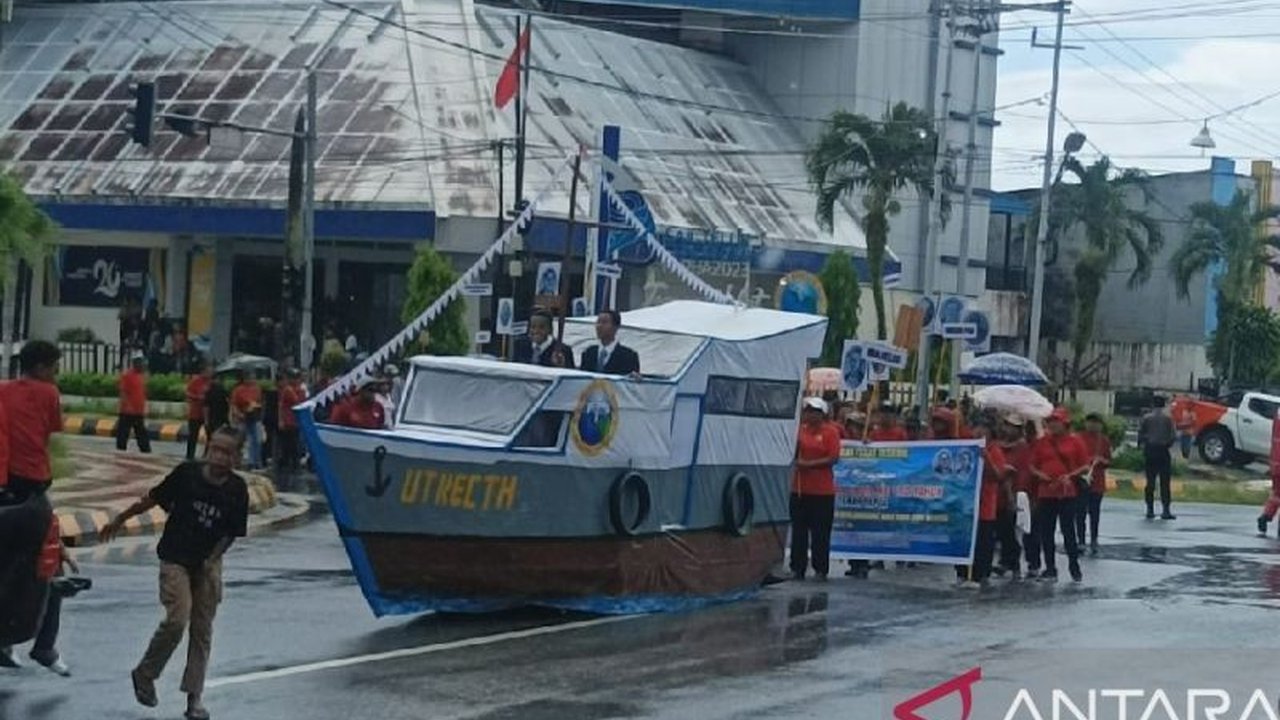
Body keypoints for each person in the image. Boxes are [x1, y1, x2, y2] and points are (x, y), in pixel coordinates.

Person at [101, 426, 250, 720]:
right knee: (177, 619)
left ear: (237, 457)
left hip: (208, 562)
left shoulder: (237, 489)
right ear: (208, 448)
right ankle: (146, 673)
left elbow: (231, 533)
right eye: (215, 449)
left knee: (202, 630)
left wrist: (212, 560)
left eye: (227, 452)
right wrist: (120, 518)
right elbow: (153, 498)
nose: (219, 457)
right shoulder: (187, 474)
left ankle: (194, 699)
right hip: (175, 558)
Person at [0, 340, 75, 676]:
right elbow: (51, 429)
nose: (56, 373)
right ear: (43, 367)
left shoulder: (3, 391)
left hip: (7, 489)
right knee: (50, 564)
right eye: (55, 367)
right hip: (31, 492)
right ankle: (44, 646)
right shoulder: (48, 393)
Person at [1030, 407, 1089, 582]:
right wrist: (1042, 476)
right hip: (1046, 492)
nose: (1053, 425)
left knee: (1068, 530)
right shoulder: (1042, 442)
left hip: (1067, 492)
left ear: (1065, 424)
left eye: (1056, 422)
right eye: (1050, 422)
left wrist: (1070, 476)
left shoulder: (1075, 442)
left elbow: (1085, 466)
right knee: (1046, 532)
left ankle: (1074, 565)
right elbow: (1032, 465)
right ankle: (1050, 568)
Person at [790, 397, 841, 582]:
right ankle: (798, 568)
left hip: (822, 492)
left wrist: (809, 464)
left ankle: (820, 569)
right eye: (808, 411)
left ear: (822, 414)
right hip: (800, 489)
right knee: (799, 531)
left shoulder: (830, 432)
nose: (810, 414)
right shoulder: (799, 431)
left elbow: (833, 458)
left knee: (820, 533)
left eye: (814, 411)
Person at [958, 413, 1009, 589]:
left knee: (983, 543)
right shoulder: (966, 447)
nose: (979, 431)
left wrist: (985, 457)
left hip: (985, 505)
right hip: (966, 505)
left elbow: (998, 476)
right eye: (977, 427)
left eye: (984, 428)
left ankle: (980, 575)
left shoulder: (995, 450)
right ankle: (962, 573)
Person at [1076, 413, 1112, 555]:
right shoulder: (1078, 438)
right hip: (1081, 481)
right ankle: (1080, 540)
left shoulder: (1104, 440)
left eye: (1096, 423)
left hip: (1097, 482)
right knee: (1080, 512)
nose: (1093, 425)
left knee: (1094, 513)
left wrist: (1102, 461)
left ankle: (1094, 539)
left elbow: (1109, 461)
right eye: (1090, 422)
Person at [1138, 396, 1177, 520]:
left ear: (1152, 404)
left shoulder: (1146, 418)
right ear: (1164, 405)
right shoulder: (1168, 419)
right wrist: (1167, 444)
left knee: (1150, 481)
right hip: (1163, 451)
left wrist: (1143, 445)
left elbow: (1141, 434)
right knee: (1165, 482)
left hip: (1150, 450)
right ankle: (1166, 510)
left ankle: (1150, 510)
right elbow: (1173, 436)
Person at [580, 310, 640, 376]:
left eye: (604, 322)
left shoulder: (629, 356)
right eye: (598, 322)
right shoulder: (589, 353)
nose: (599, 326)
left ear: (616, 327)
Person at [117, 353, 152, 454]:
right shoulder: (127, 375)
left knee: (141, 432)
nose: (143, 365)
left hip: (138, 410)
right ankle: (120, 450)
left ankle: (145, 450)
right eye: (141, 363)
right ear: (135, 363)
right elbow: (123, 392)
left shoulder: (141, 376)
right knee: (124, 432)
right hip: (127, 411)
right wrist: (127, 405)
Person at [230, 371, 264, 470]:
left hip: (254, 416)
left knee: (256, 440)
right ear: (245, 379)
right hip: (243, 417)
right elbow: (234, 404)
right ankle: (236, 460)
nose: (253, 380)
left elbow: (260, 401)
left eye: (254, 378)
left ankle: (255, 461)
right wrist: (238, 414)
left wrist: (258, 408)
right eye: (251, 378)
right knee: (240, 440)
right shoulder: (238, 390)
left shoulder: (257, 389)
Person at [276, 369, 306, 474]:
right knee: (289, 444)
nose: (296, 380)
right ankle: (287, 463)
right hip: (288, 420)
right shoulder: (288, 390)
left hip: (295, 420)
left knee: (294, 443)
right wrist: (281, 420)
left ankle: (292, 464)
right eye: (294, 378)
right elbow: (283, 405)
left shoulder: (300, 390)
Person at [184, 362, 213, 461]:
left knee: (210, 435)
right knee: (193, 435)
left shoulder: (211, 382)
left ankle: (207, 456)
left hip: (207, 414)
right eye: (208, 371)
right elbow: (188, 393)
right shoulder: (195, 381)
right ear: (203, 371)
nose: (210, 373)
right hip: (195, 413)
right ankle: (190, 456)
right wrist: (198, 397)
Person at [203, 374, 230, 451]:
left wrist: (206, 420)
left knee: (211, 438)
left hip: (213, 418)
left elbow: (206, 407)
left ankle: (208, 453)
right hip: (221, 418)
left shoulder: (209, 391)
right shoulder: (223, 390)